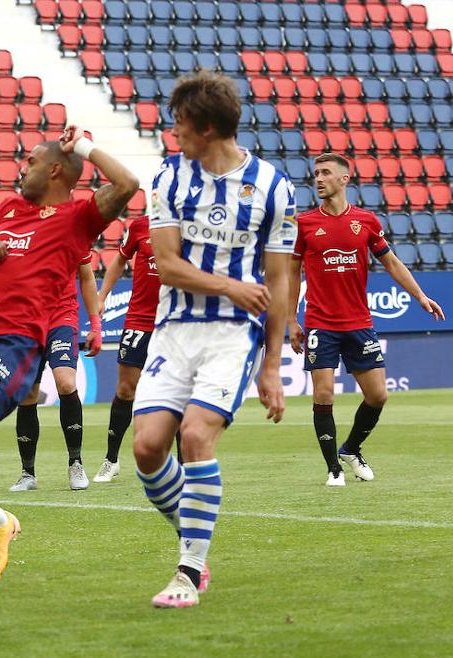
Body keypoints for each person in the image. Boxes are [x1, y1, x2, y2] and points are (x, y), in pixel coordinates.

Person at [0, 127, 137, 592]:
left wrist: (84, 148)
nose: (22, 167)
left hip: (18, 343)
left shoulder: (77, 218)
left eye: (31, 160)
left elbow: (128, 185)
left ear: (56, 169)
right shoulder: (8, 210)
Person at [131, 70, 293, 609]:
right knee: (148, 448)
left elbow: (278, 280)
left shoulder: (273, 187)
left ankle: (189, 570)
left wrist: (271, 365)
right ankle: (196, 530)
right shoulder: (168, 180)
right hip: (174, 329)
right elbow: (168, 265)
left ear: (204, 127)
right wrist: (230, 285)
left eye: (179, 125)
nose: (173, 135)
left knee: (195, 437)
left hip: (232, 335)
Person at [288, 153, 444, 486]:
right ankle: (334, 470)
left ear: (344, 179)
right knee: (324, 394)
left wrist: (420, 296)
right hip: (320, 323)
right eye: (316, 173)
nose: (318, 178)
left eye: (326, 173)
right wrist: (291, 319)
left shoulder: (366, 221)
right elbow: (290, 274)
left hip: (358, 322)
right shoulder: (304, 224)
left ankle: (351, 448)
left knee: (378, 396)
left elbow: (392, 263)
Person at [8, 257, 101, 492]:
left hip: (63, 317)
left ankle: (76, 464)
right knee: (28, 394)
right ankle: (28, 473)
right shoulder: (23, 232)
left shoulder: (72, 230)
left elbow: (87, 276)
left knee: (66, 383)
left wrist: (95, 325)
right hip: (28, 320)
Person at [91, 213, 161, 483]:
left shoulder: (192, 224)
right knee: (125, 389)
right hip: (139, 319)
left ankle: (183, 465)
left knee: (179, 393)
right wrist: (102, 295)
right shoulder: (142, 225)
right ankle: (111, 460)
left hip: (173, 322)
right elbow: (120, 258)